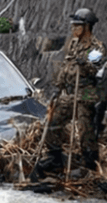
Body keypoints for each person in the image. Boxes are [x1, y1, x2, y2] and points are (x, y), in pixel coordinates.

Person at [32, 8, 107, 180]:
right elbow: (66, 67)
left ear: (87, 27)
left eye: (77, 26)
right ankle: (55, 156)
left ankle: (90, 166)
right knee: (53, 120)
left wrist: (85, 64)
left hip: (86, 94)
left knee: (85, 131)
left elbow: (96, 68)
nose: (73, 29)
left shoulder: (97, 47)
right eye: (73, 25)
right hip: (69, 93)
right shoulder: (74, 43)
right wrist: (58, 87)